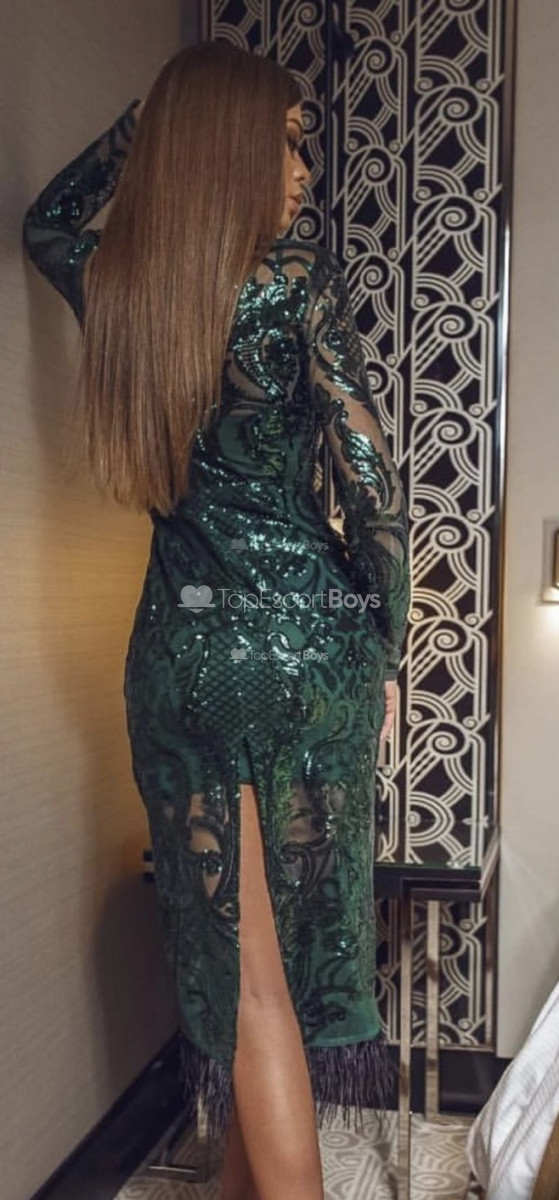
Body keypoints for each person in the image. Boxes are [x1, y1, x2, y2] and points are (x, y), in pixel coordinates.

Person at [22, 40, 410, 1200]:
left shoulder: (126, 290)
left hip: (187, 653)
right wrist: (382, 645)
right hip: (307, 654)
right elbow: (371, 484)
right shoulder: (293, 287)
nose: (304, 170)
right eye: (286, 143)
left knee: (246, 976)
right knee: (273, 976)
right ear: (230, 149)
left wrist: (141, 127)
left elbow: (49, 223)